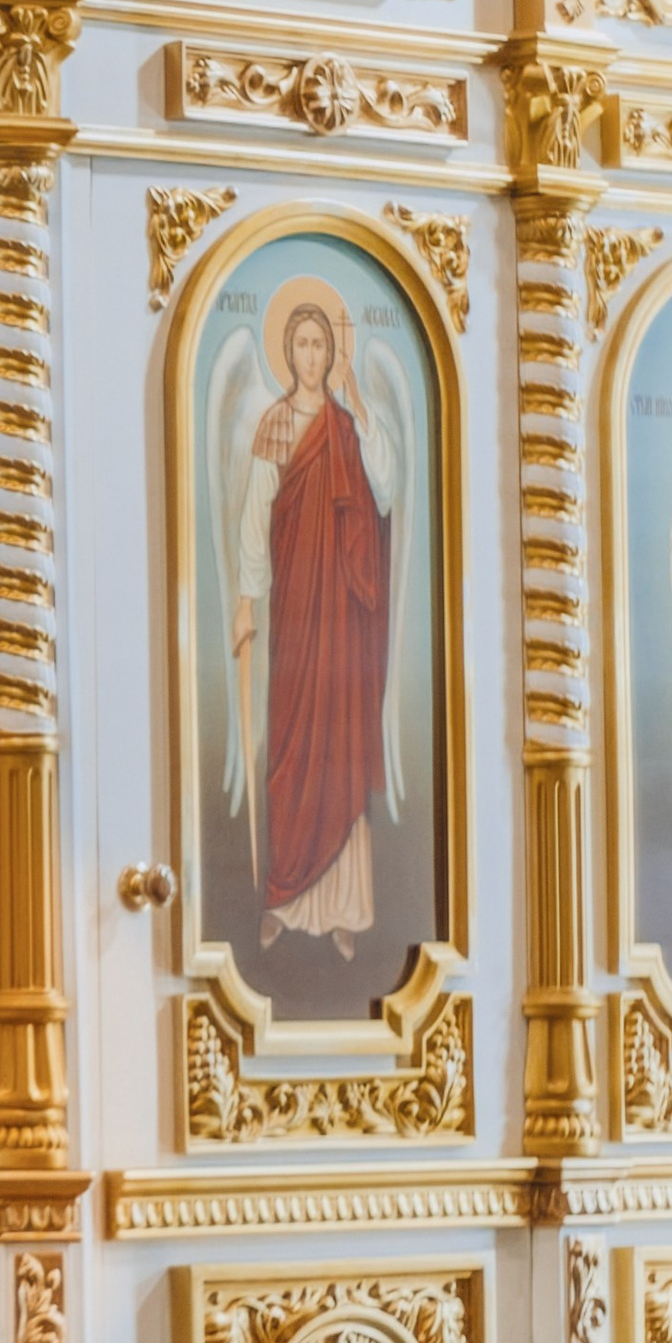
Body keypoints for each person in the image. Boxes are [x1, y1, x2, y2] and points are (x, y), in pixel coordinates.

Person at [232, 297, 396, 956]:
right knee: (294, 745)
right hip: (297, 607)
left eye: (319, 345)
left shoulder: (347, 426)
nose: (309, 356)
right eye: (300, 344)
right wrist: (246, 600)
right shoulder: (275, 424)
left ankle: (344, 910)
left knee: (340, 742)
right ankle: (284, 897)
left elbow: (385, 490)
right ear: (288, 352)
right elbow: (255, 517)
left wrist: (361, 407)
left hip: (344, 615)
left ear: (331, 355)